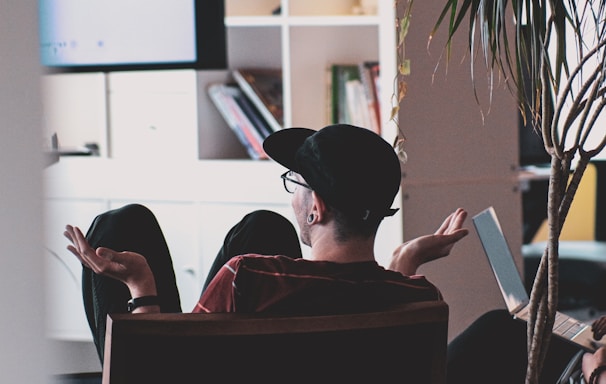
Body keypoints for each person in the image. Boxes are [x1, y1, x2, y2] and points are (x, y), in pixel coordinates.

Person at [64, 124, 469, 362]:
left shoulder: (249, 278)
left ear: (316, 209)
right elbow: (372, 295)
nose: (292, 196)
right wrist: (406, 257)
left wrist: (140, 286)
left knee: (121, 225)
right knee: (265, 226)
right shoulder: (421, 298)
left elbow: (161, 375)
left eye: (296, 184)